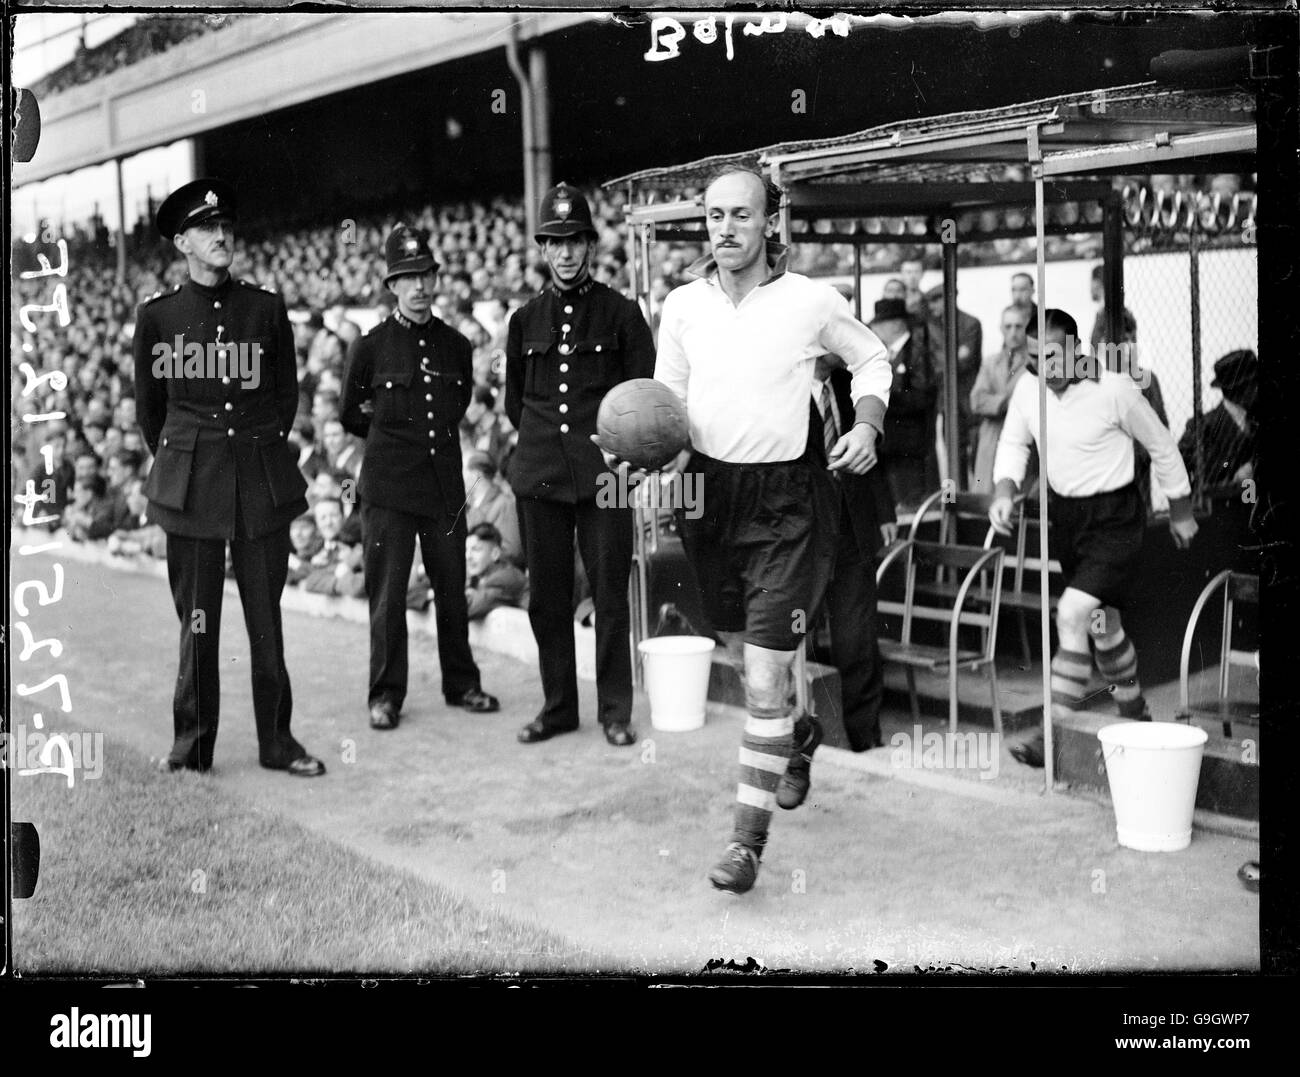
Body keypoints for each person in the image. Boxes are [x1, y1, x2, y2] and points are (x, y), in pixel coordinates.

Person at [652, 167, 891, 894]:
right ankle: (798, 733)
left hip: (789, 502)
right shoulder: (682, 306)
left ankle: (745, 845)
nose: (724, 228)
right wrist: (651, 462)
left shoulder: (810, 300)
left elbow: (873, 355)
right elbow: (669, 402)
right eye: (714, 215)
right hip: (710, 500)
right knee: (750, 657)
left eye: (741, 215)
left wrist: (869, 422)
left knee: (761, 677)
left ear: (769, 223)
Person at [133, 178, 325, 777]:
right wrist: (187, 458)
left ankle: (278, 742)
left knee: (266, 620)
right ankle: (192, 748)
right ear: (182, 243)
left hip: (259, 479)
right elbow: (151, 412)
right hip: (191, 486)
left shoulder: (265, 308)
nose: (222, 237)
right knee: (198, 622)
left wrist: (256, 448)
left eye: (225, 227)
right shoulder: (159, 318)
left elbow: (285, 395)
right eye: (208, 229)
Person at [989, 309, 1197, 768]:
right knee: (1105, 628)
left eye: (1050, 355)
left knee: (1072, 613)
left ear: (1074, 349)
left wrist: (1181, 510)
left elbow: (1162, 445)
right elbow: (1013, 444)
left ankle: (1053, 732)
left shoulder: (1115, 388)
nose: (1042, 366)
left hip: (1117, 518)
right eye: (1033, 357)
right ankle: (1135, 714)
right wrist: (1004, 490)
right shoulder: (1028, 388)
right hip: (1068, 519)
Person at [504, 183, 655, 748]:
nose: (565, 253)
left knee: (611, 593)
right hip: (540, 473)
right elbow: (515, 401)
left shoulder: (620, 313)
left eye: (575, 241)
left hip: (607, 477)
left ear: (591, 245)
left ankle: (615, 711)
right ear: (543, 248)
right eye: (554, 242)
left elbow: (644, 395)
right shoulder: (525, 320)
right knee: (547, 597)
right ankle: (557, 707)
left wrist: (632, 463)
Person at [340, 224, 500, 731]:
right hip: (388, 486)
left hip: (443, 485)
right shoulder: (370, 347)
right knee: (388, 595)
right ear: (391, 285)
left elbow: (458, 405)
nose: (420, 286)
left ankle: (462, 683)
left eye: (426, 275)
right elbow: (351, 413)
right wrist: (392, 439)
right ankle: (386, 695)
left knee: (451, 585)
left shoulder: (455, 345)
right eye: (408, 277)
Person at [786, 354, 897, 792]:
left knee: (857, 640)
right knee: (796, 641)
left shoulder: (852, 386)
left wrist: (884, 510)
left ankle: (865, 741)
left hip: (852, 530)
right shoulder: (785, 389)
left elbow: (874, 456)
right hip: (803, 537)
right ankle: (802, 744)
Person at [870, 298, 937, 513]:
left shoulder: (917, 353)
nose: (875, 331)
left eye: (878, 326)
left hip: (911, 444)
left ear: (894, 325)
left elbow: (923, 396)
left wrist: (887, 397)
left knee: (910, 502)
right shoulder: (890, 354)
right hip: (893, 444)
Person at [922, 284, 983, 485]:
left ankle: (978, 500)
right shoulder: (931, 328)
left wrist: (946, 359)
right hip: (947, 401)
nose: (934, 306)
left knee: (978, 455)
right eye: (932, 301)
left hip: (970, 400)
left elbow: (963, 361)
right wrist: (951, 358)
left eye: (938, 300)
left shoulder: (970, 323)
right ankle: (957, 502)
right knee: (952, 456)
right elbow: (938, 364)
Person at [1177, 348, 1258, 497]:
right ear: (1238, 389)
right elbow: (1177, 466)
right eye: (1254, 382)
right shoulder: (1203, 427)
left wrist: (1252, 466)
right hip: (1220, 509)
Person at [969, 304, 1031, 495]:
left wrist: (995, 402)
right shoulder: (990, 362)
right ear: (1001, 329)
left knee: (1018, 494)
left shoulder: (1034, 363)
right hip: (991, 436)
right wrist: (1007, 402)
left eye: (1018, 327)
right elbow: (977, 400)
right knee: (986, 494)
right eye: (1008, 326)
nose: (1013, 332)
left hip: (1022, 437)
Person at [465, 522, 529, 620]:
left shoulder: (504, 578)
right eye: (466, 550)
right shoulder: (478, 578)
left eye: (476, 549)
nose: (468, 556)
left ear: (495, 553)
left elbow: (469, 609)